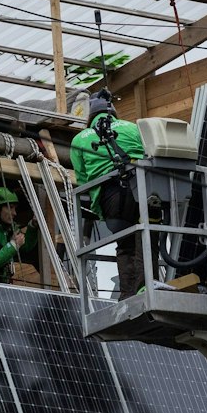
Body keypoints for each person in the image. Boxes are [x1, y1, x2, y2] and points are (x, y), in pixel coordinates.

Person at [69, 90, 147, 294]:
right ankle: (145, 286)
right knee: (147, 236)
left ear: (90, 116)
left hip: (109, 198)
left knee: (125, 244)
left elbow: (83, 179)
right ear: (112, 113)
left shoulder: (79, 139)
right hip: (142, 189)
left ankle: (128, 294)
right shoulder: (133, 128)